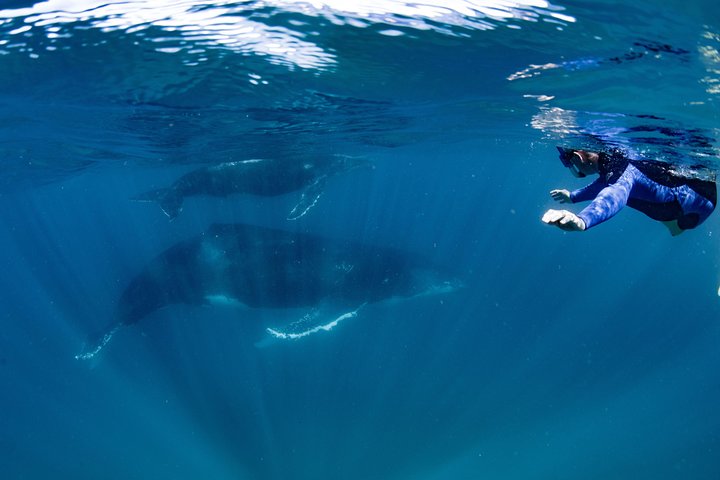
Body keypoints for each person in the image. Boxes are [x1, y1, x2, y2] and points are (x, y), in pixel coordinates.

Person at [542, 147, 717, 235]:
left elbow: (614, 194)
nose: (573, 170)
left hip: (701, 200)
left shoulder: (623, 172)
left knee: (678, 229)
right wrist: (572, 197)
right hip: (683, 206)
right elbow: (602, 184)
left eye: (570, 164)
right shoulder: (611, 165)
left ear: (578, 157)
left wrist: (582, 220)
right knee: (675, 230)